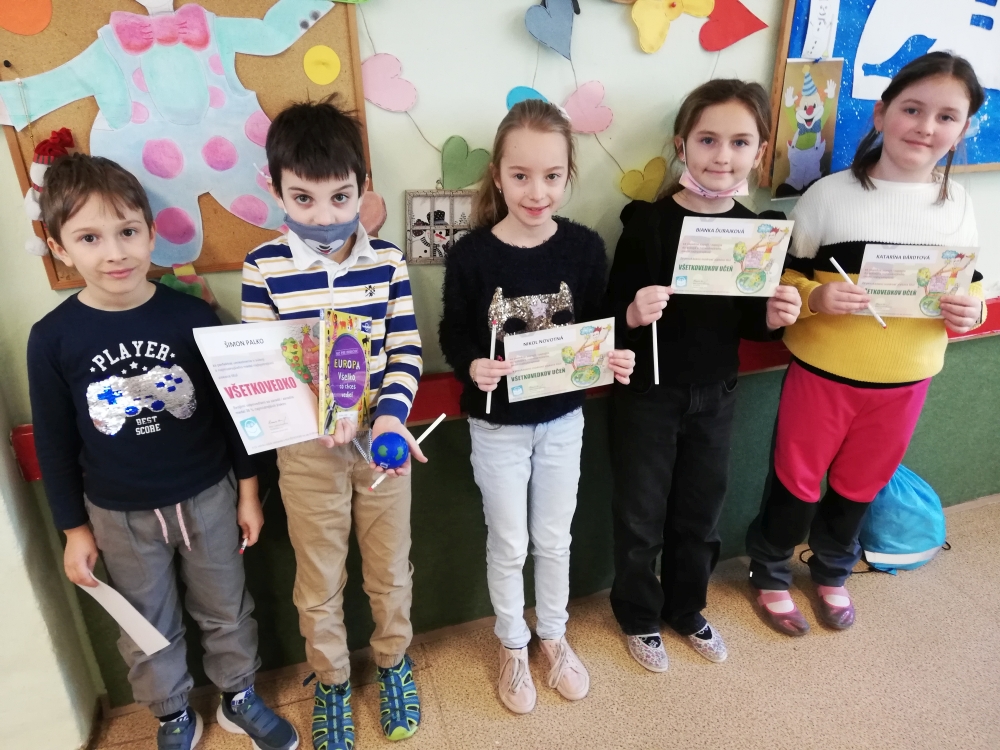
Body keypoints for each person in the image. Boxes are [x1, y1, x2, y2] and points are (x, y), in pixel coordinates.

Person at [28, 154, 298, 750]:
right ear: (59, 248)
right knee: (146, 624)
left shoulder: (192, 315)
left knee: (227, 607)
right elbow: (53, 441)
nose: (114, 253)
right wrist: (73, 529)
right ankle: (172, 712)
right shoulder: (51, 338)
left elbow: (233, 413)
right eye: (90, 238)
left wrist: (248, 492)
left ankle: (239, 695)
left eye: (127, 231)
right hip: (117, 514)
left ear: (151, 234)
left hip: (209, 496)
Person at [745, 52, 986, 636]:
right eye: (912, 109)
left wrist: (972, 311)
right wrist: (816, 298)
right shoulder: (829, 195)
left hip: (906, 380)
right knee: (796, 479)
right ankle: (769, 570)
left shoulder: (958, 205)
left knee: (860, 484)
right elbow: (786, 278)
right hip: (823, 374)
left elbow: (971, 290)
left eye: (946, 117)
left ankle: (832, 569)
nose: (925, 127)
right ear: (881, 114)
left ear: (963, 130)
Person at [438, 99, 636, 714]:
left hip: (563, 420)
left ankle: (553, 635)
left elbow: (599, 325)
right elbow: (453, 331)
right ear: (497, 176)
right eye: (521, 175)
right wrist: (472, 363)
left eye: (551, 176)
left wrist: (614, 353)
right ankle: (512, 643)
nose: (536, 191)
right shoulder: (471, 255)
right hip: (496, 425)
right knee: (509, 544)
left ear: (567, 175)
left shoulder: (583, 248)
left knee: (554, 539)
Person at [241, 99, 424, 749]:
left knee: (390, 568)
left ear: (363, 185)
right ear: (276, 190)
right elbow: (266, 366)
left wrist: (390, 418)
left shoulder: (388, 263)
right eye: (303, 199)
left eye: (340, 197)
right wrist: (315, 413)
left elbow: (406, 351)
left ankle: (394, 663)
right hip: (306, 451)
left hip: (382, 445)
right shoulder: (263, 267)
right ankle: (332, 680)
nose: (324, 217)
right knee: (318, 578)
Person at [605, 80, 802, 671]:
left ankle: (686, 606)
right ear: (681, 145)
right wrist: (632, 314)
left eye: (739, 142)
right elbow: (608, 316)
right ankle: (638, 615)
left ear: (759, 152)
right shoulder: (648, 224)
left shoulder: (755, 231)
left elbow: (750, 323)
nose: (722, 155)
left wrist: (774, 317)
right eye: (708, 140)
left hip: (717, 394)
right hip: (648, 396)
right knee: (640, 515)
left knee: (700, 511)